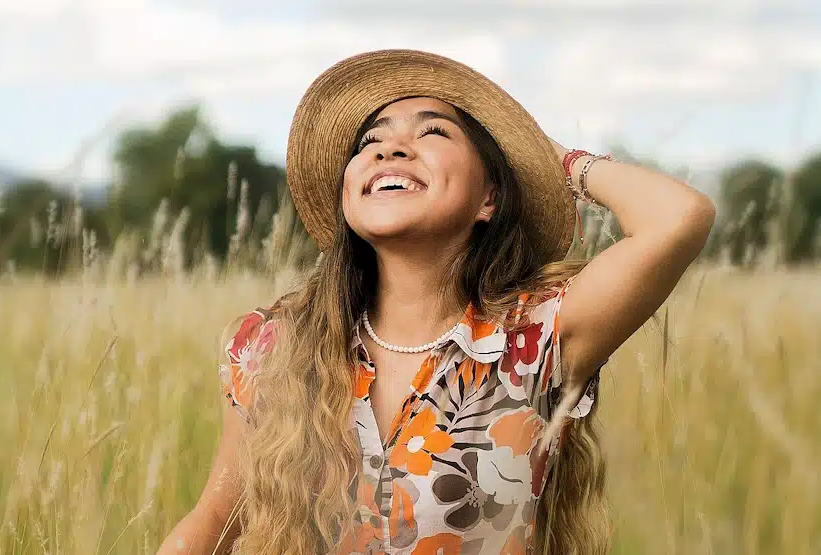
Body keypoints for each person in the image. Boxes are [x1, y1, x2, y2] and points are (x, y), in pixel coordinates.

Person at [156, 49, 715, 555]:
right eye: (369, 143)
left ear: (488, 197)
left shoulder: (536, 336)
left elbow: (679, 218)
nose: (390, 147)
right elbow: (213, 526)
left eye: (433, 134)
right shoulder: (270, 344)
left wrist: (557, 161)